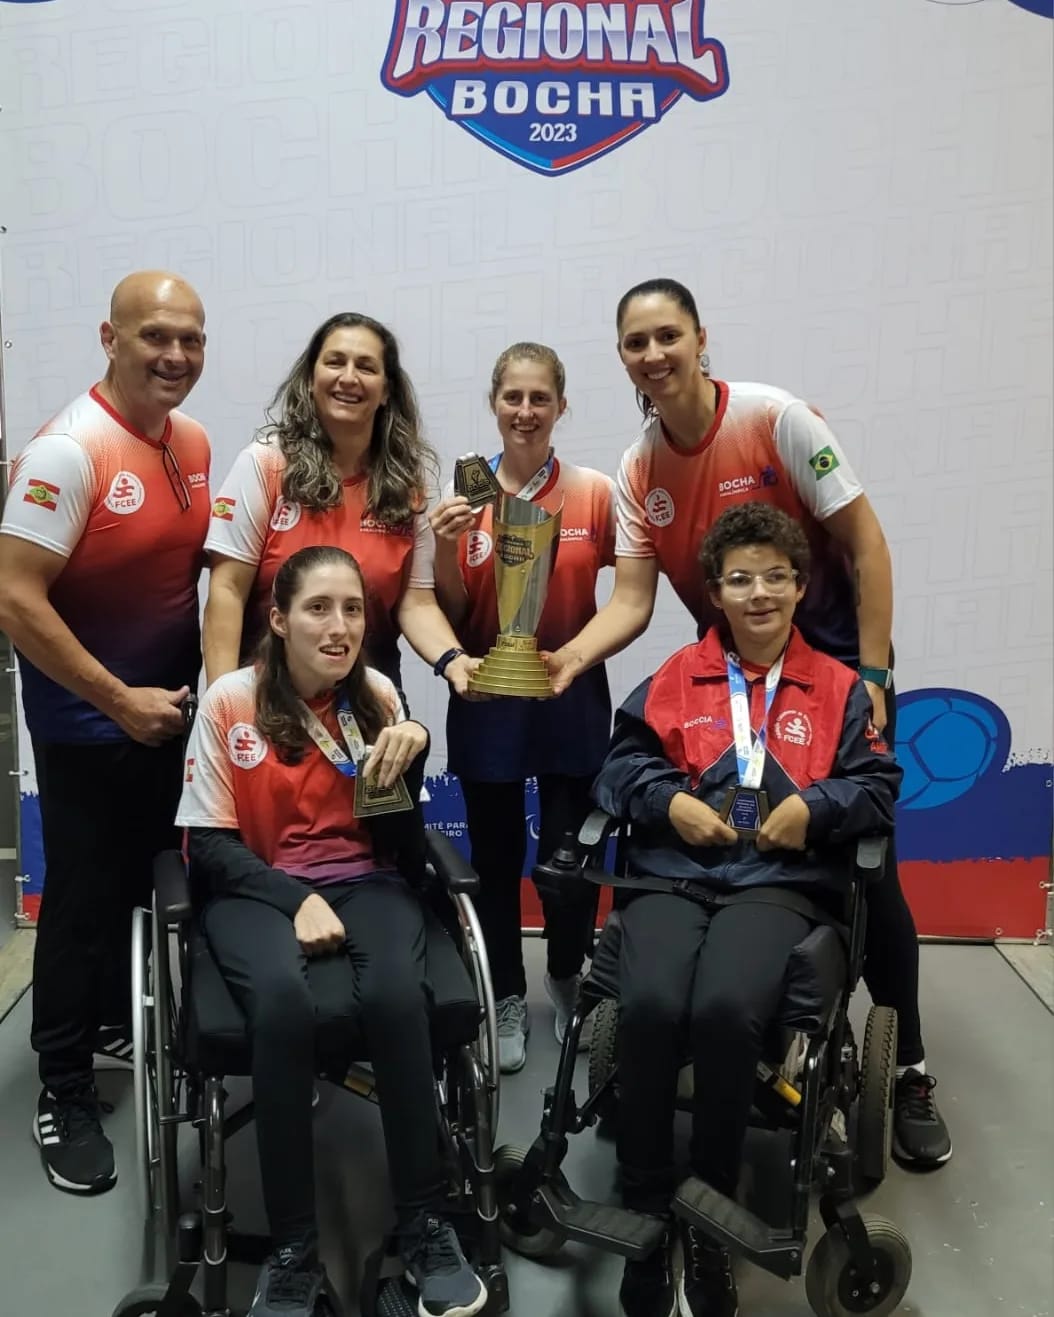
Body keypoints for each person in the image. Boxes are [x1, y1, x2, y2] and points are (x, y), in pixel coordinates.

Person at [546, 277, 951, 1169]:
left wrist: (873, 671)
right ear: (621, 356)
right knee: (718, 845)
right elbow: (636, 597)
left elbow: (866, 543)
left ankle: (910, 1064)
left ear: (699, 337)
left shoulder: (774, 419)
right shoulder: (640, 466)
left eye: (667, 336)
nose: (653, 355)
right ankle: (699, 1037)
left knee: (861, 871)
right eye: (635, 342)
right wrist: (573, 656)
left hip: (837, 655)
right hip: (735, 662)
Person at [593, 502, 901, 1317]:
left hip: (776, 883)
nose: (758, 592)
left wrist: (818, 808)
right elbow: (617, 770)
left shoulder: (837, 688)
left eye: (775, 576)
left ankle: (708, 1207)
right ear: (716, 592)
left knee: (727, 1007)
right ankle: (650, 1202)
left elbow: (877, 788)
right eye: (740, 578)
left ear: (800, 587)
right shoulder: (674, 677)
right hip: (675, 874)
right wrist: (667, 802)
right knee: (653, 1003)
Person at [177, 545, 488, 1317]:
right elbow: (209, 847)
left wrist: (410, 766)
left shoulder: (377, 694)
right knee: (281, 1004)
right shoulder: (230, 703)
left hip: (368, 881)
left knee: (393, 993)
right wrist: (291, 898)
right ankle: (291, 1251)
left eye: (353, 608)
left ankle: (422, 1223)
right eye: (318, 607)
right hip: (254, 885)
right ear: (278, 619)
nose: (340, 625)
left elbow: (399, 847)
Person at [0, 271, 211, 1195]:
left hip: (166, 714)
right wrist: (117, 699)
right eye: (156, 336)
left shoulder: (192, 440)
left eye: (191, 339)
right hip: (90, 720)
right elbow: (13, 595)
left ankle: (106, 1018)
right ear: (110, 337)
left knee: (141, 881)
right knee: (82, 899)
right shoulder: (67, 451)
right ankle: (64, 1081)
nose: (175, 356)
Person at [430, 343, 615, 1072]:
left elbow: (629, 593)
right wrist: (446, 552)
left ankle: (567, 971)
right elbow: (448, 605)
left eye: (541, 398)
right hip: (488, 701)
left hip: (569, 695)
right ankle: (505, 990)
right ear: (493, 401)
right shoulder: (462, 494)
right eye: (513, 396)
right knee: (497, 858)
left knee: (570, 861)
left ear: (561, 406)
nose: (526, 410)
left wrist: (578, 654)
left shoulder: (596, 492)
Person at [203, 311, 478, 696]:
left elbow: (415, 602)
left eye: (366, 367)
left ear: (386, 391)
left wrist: (454, 659)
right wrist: (222, 702)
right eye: (335, 362)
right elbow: (227, 590)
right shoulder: (265, 464)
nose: (349, 378)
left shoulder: (405, 484)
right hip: (269, 701)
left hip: (370, 704)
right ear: (311, 379)